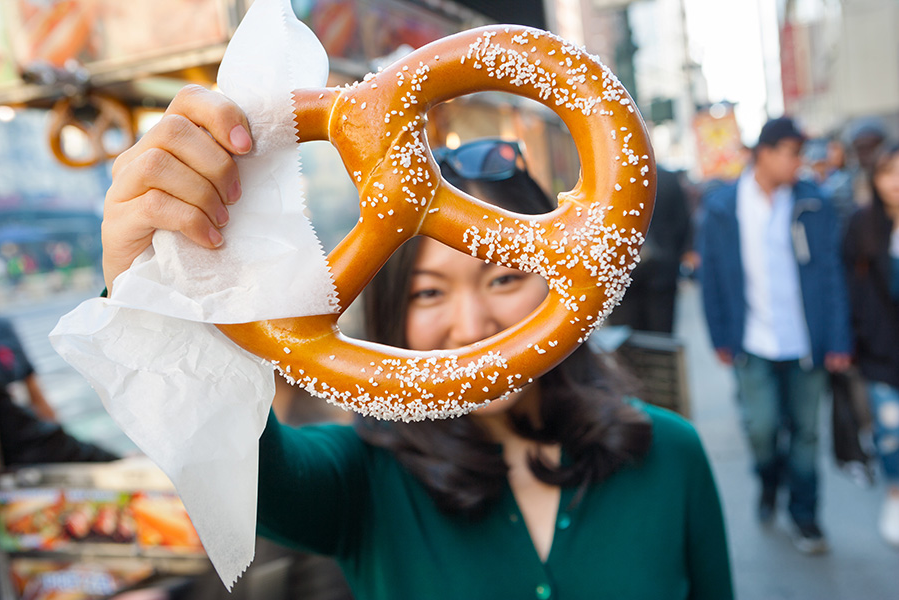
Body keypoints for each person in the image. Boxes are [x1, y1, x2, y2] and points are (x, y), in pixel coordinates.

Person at [101, 85, 733, 599]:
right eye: (429, 293)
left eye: (505, 276)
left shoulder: (670, 455)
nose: (473, 324)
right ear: (391, 318)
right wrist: (148, 286)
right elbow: (224, 455)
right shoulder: (358, 480)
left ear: (560, 279)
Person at [698, 116, 852, 555]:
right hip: (752, 341)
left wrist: (838, 339)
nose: (799, 162)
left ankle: (806, 517)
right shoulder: (724, 206)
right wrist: (719, 336)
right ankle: (769, 482)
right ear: (763, 153)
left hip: (807, 341)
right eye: (792, 152)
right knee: (761, 428)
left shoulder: (813, 201)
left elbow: (830, 275)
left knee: (806, 432)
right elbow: (712, 278)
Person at [842, 141, 899, 548]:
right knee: (890, 430)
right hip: (881, 351)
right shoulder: (862, 225)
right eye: (886, 173)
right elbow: (849, 288)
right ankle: (894, 493)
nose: (894, 183)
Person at [0, 316, 119, 466]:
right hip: (16, 450)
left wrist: (57, 431)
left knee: (108, 461)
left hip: (32, 436)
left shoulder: (3, 328)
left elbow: (34, 392)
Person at [605, 167, 691, 334]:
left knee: (626, 338)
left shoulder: (609, 179)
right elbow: (683, 224)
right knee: (661, 335)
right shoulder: (668, 178)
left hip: (622, 274)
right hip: (663, 272)